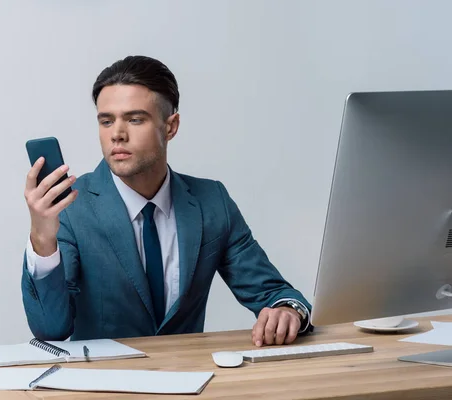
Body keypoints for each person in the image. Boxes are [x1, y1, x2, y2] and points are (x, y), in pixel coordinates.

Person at [22, 55, 312, 347]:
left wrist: (287, 311)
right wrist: (43, 240)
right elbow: (51, 329)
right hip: (104, 384)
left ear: (170, 126)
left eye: (135, 119)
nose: (117, 135)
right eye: (106, 121)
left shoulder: (212, 201)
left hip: (191, 381)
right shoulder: (72, 207)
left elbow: (272, 292)